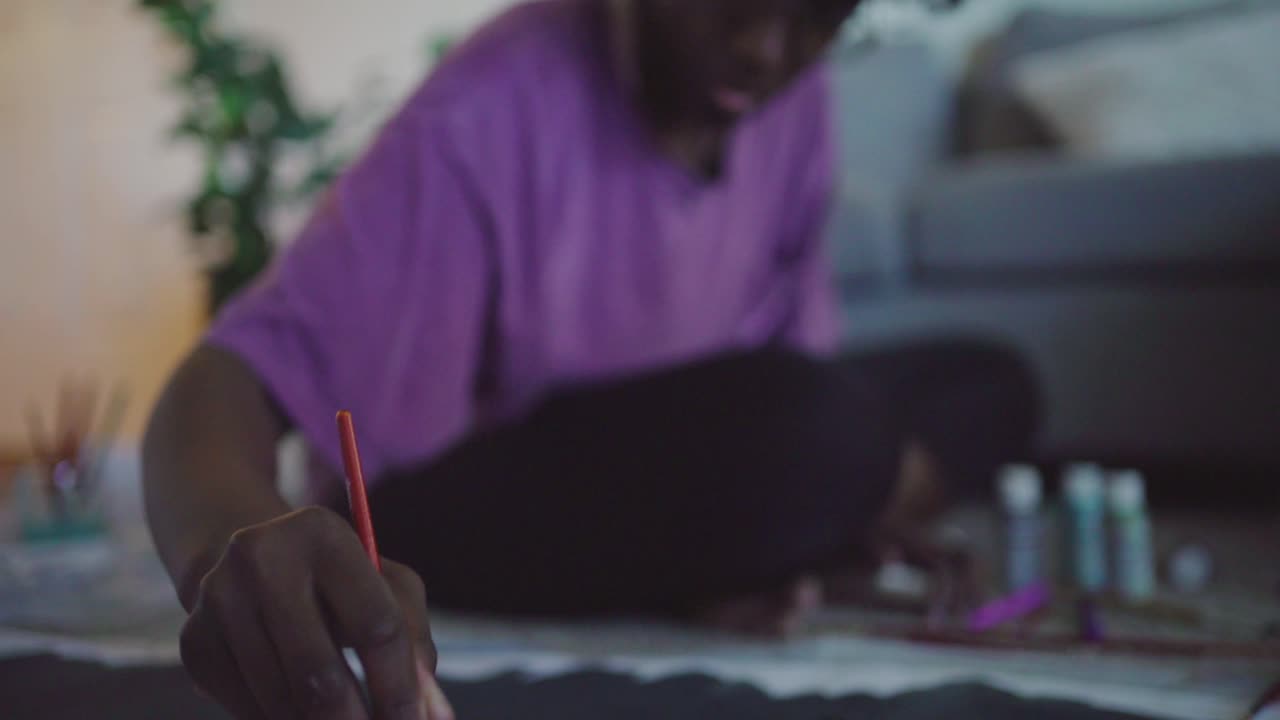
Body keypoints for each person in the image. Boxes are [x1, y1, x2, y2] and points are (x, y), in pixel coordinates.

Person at [143, 1, 1034, 718]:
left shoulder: (796, 104)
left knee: (992, 383)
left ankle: (780, 532)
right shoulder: (487, 106)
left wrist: (811, 497)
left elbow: (788, 367)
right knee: (827, 436)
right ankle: (776, 535)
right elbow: (222, 380)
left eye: (815, 18)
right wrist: (228, 555)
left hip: (707, 433)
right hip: (486, 479)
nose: (766, 47)